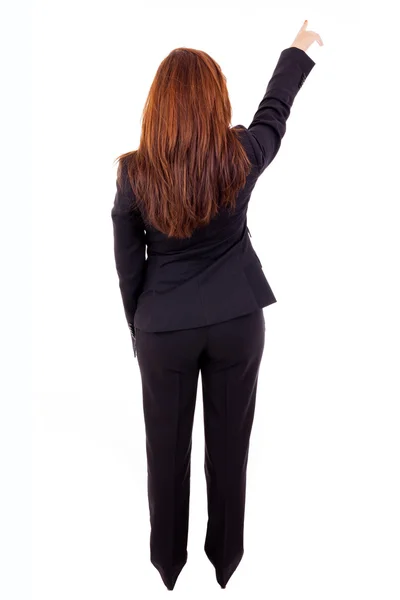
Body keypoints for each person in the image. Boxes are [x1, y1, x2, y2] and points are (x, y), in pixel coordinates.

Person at [111, 20, 323, 591]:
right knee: (229, 449)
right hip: (236, 320)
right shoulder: (240, 155)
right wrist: (298, 51)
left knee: (165, 451)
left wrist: (140, 324)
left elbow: (128, 263)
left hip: (164, 329)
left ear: (159, 106)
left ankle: (168, 564)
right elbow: (273, 113)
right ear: (214, 101)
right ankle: (225, 561)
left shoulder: (136, 173)